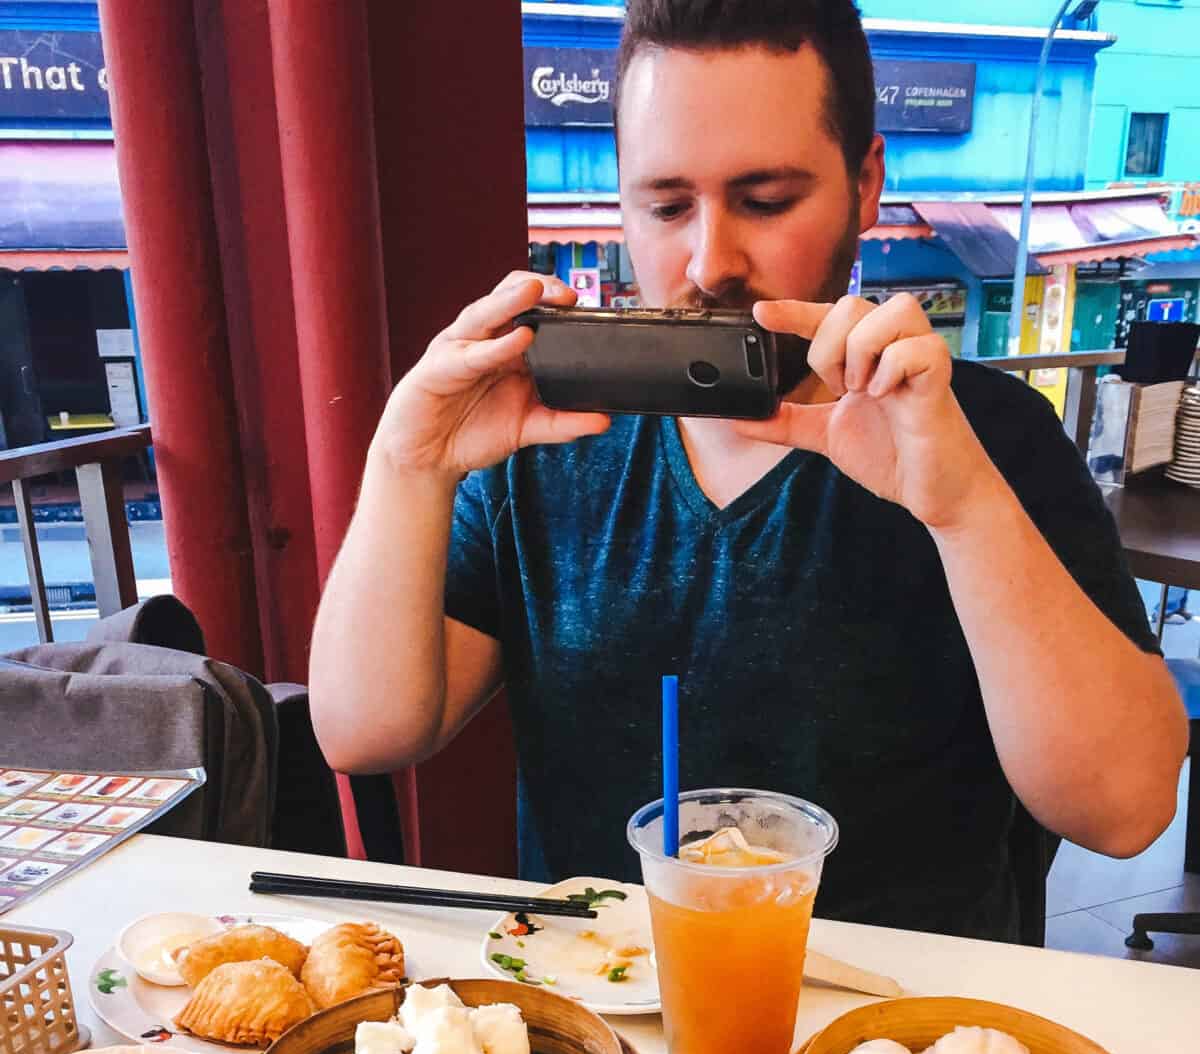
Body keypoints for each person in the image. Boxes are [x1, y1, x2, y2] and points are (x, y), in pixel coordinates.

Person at [311, 0, 1187, 942]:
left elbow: (1124, 809)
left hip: (900, 1044)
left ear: (865, 183)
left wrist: (965, 511)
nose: (708, 260)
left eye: (767, 201)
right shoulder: (549, 445)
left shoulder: (986, 436)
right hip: (607, 1034)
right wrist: (410, 464)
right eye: (665, 205)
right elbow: (367, 731)